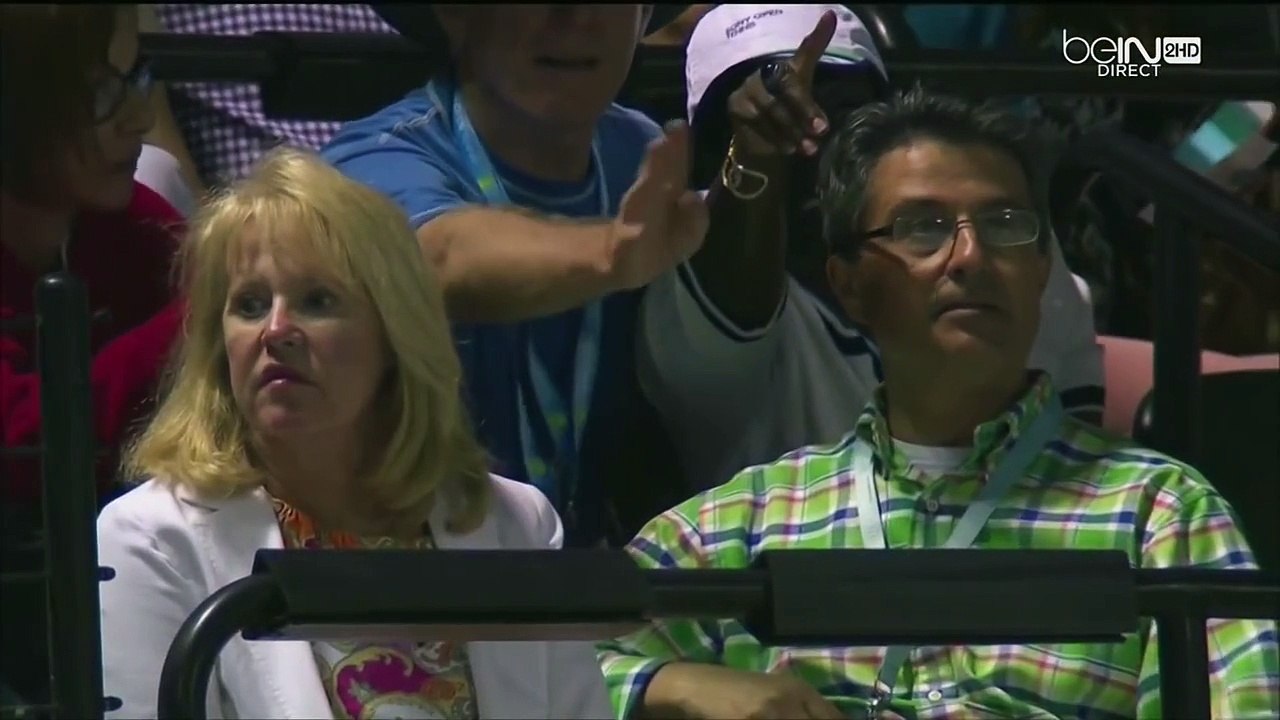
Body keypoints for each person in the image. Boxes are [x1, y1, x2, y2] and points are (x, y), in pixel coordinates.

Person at [598, 88, 1279, 720]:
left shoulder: (1158, 513)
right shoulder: (745, 522)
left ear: (1041, 269)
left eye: (1006, 224)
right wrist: (680, 686)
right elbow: (544, 663)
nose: (970, 256)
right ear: (850, 286)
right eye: (922, 227)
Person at [98, 147, 614, 720]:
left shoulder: (516, 523)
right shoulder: (151, 539)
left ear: (394, 336)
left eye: (318, 301)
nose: (276, 331)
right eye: (248, 304)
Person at [638, 4, 1106, 492]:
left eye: (830, 111)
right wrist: (755, 156)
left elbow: (1079, 472)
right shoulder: (687, 278)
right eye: (757, 123)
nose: (800, 141)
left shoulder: (1001, 243)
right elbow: (733, 294)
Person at [322, 5, 707, 547]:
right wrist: (612, 254)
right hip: (417, 581)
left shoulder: (644, 156)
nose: (574, 18)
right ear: (454, 14)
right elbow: (435, 260)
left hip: (599, 581)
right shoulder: (372, 157)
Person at [0, 2, 185, 704]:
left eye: (140, 82)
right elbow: (24, 442)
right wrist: (202, 319)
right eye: (103, 95)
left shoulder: (134, 228)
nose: (139, 120)